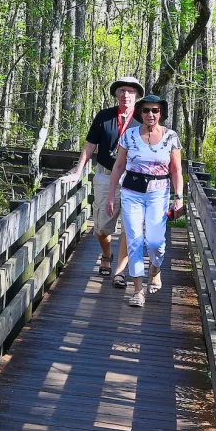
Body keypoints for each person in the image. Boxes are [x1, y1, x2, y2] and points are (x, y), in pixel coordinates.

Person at [106, 94, 184, 307]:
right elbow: (119, 166)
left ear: (161, 113)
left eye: (155, 110)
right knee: (134, 240)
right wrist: (111, 194)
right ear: (140, 113)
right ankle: (138, 290)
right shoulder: (129, 135)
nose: (151, 114)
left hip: (159, 193)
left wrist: (179, 197)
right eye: (146, 110)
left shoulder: (171, 137)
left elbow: (176, 169)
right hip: (132, 191)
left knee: (155, 242)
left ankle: (156, 269)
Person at [76, 76, 142, 289]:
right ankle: (107, 253)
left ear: (137, 96)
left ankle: (120, 272)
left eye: (130, 91)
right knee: (102, 227)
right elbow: (89, 146)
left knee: (130, 227)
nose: (126, 95)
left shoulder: (143, 119)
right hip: (105, 175)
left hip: (133, 179)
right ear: (116, 94)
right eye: (122, 90)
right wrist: (78, 172)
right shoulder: (104, 117)